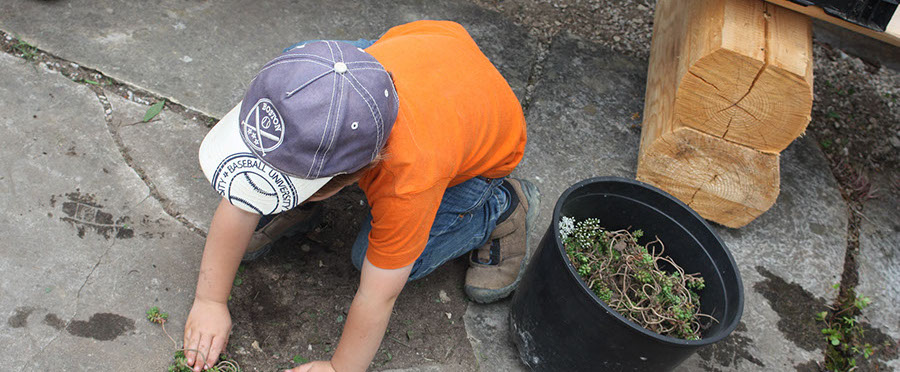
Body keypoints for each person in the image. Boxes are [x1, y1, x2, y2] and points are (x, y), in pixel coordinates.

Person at [185, 20, 539, 372]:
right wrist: (209, 300)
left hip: (485, 146)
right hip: (402, 56)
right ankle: (300, 196)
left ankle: (500, 209)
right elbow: (242, 189)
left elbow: (378, 294)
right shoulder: (299, 75)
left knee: (374, 258)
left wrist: (340, 368)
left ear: (347, 177)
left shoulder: (409, 179)